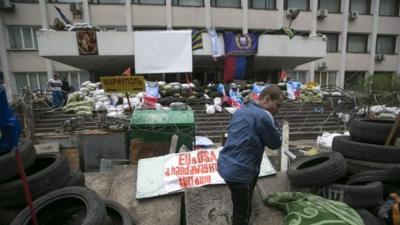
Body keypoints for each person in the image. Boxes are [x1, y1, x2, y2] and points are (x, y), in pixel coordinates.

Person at [217, 84, 284, 225]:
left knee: (240, 207)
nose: (278, 110)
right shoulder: (264, 116)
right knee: (243, 215)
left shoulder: (241, 110)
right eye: (277, 105)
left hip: (226, 165)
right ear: (267, 99)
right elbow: (275, 143)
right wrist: (275, 123)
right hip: (242, 171)